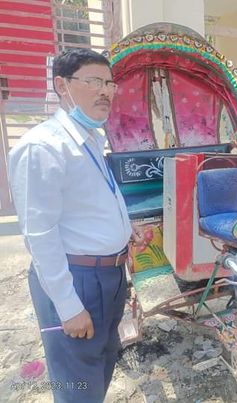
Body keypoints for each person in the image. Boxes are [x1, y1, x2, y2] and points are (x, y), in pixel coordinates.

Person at [8, 48, 143, 402]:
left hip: (109, 276)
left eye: (109, 83)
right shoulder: (43, 147)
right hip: (77, 278)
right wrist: (68, 307)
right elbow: (40, 234)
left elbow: (91, 201)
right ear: (61, 85)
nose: (105, 92)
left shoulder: (90, 138)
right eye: (94, 81)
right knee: (77, 381)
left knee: (101, 362)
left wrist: (124, 230)